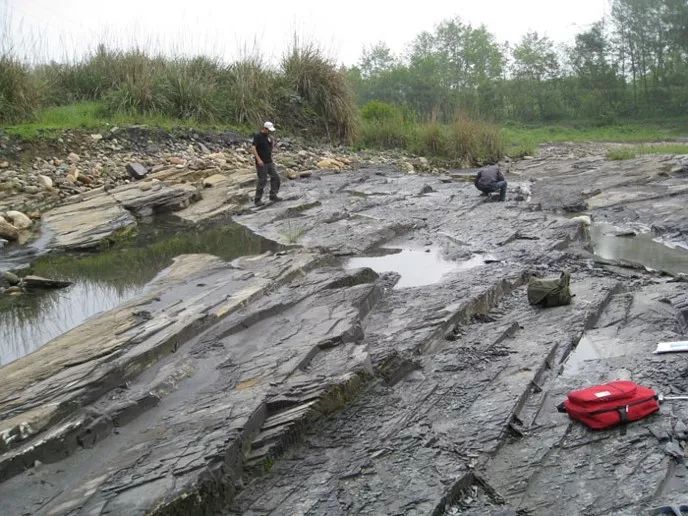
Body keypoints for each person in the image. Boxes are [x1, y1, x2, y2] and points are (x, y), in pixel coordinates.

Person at [252, 121, 281, 206]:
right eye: (269, 130)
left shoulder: (268, 137)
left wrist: (273, 143)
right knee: (262, 180)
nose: (270, 132)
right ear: (265, 129)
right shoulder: (258, 136)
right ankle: (257, 200)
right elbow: (253, 148)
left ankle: (273, 195)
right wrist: (258, 159)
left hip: (269, 161)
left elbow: (271, 148)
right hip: (261, 162)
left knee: (276, 177)